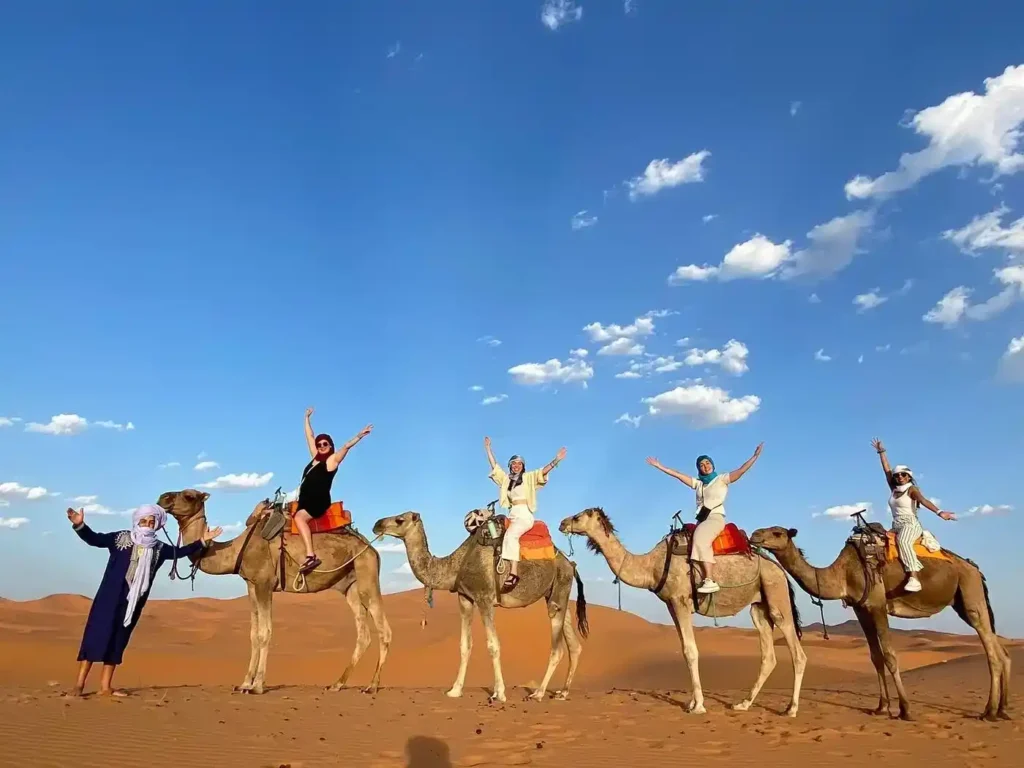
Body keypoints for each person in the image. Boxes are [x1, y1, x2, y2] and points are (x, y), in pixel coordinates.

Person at [66, 503, 221, 697]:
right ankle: (79, 685)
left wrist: (202, 541)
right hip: (107, 597)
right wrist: (80, 525)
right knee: (95, 637)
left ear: (156, 525)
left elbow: (179, 553)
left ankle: (105, 687)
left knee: (118, 640)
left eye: (151, 521)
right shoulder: (120, 538)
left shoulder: (159, 547)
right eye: (144, 520)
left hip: (132, 603)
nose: (147, 524)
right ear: (136, 521)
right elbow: (95, 539)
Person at [646, 444, 763, 594]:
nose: (705, 466)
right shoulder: (698, 484)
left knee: (700, 540)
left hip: (715, 517)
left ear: (712, 465)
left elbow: (741, 470)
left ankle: (709, 580)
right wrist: (659, 466)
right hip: (702, 519)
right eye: (701, 465)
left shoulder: (722, 479)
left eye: (707, 463)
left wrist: (755, 456)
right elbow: (678, 475)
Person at [871, 438, 956, 592]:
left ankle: (914, 577)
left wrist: (939, 512)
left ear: (909, 477)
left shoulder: (912, 490)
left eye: (903, 475)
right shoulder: (894, 489)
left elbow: (923, 500)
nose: (900, 477)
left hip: (910, 524)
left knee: (904, 542)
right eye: (897, 475)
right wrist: (881, 452)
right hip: (896, 525)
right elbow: (887, 470)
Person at [484, 436, 566, 591]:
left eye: (519, 464)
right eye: (513, 464)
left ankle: (514, 573)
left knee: (511, 536)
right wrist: (488, 449)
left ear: (523, 466)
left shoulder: (528, 478)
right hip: (512, 514)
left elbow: (543, 471)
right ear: (510, 466)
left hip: (525, 516)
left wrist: (556, 460)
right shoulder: (507, 480)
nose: (516, 466)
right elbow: (495, 467)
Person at [296, 407, 373, 574]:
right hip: (305, 499)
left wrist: (359, 436)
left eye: (325, 444)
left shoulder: (331, 461)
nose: (322, 446)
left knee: (299, 519)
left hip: (318, 502)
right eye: (319, 444)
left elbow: (345, 447)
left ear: (330, 445)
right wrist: (306, 418)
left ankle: (311, 556)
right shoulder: (315, 458)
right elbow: (309, 436)